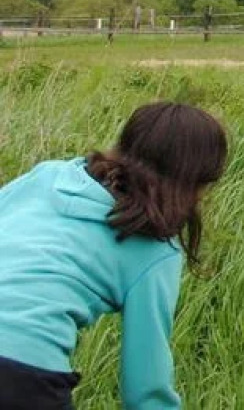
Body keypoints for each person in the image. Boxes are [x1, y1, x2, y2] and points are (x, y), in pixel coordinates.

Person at [0, 101, 228, 410]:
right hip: (21, 373)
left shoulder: (49, 175)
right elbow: (145, 392)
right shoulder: (156, 250)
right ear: (192, 183)